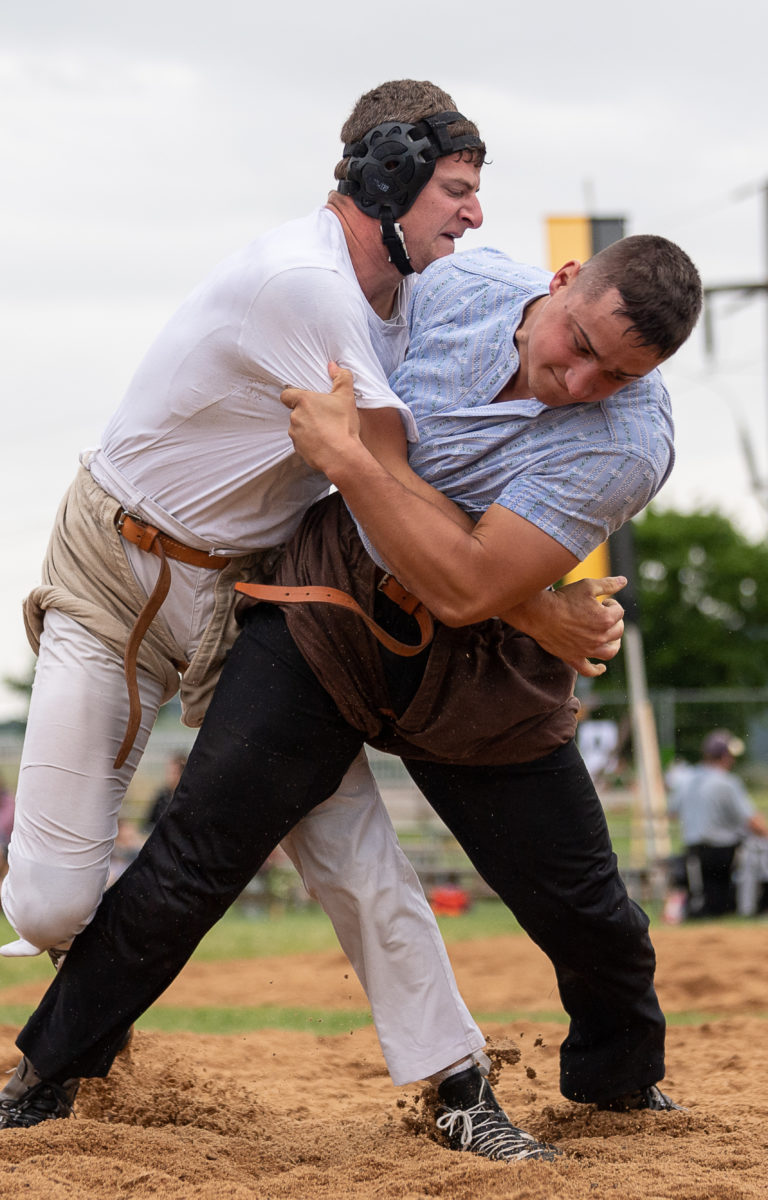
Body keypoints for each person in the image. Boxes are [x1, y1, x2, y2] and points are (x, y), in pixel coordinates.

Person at [0, 79, 619, 1158]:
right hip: (114, 580)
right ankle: (85, 1013)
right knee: (49, 906)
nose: (475, 217)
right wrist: (539, 614)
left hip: (247, 593)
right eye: (458, 192)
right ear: (385, 180)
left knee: (353, 845)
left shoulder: (415, 295)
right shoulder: (307, 286)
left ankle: (458, 1086)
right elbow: (387, 487)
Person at [669, 729, 768, 917]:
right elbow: (752, 821)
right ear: (724, 756)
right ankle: (754, 908)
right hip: (724, 852)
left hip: (693, 850)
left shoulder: (685, 779)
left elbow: (672, 813)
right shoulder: (727, 782)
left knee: (708, 899)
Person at [142, 752, 187, 833]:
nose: (168, 776)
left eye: (173, 773)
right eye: (168, 772)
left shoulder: (188, 797)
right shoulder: (162, 797)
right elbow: (149, 824)